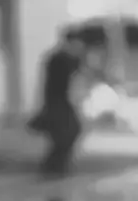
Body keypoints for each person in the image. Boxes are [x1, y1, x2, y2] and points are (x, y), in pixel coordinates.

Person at [30, 31, 85, 177]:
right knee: (66, 134)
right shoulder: (60, 59)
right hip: (58, 103)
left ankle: (55, 166)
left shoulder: (63, 58)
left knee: (68, 134)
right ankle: (53, 167)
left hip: (61, 103)